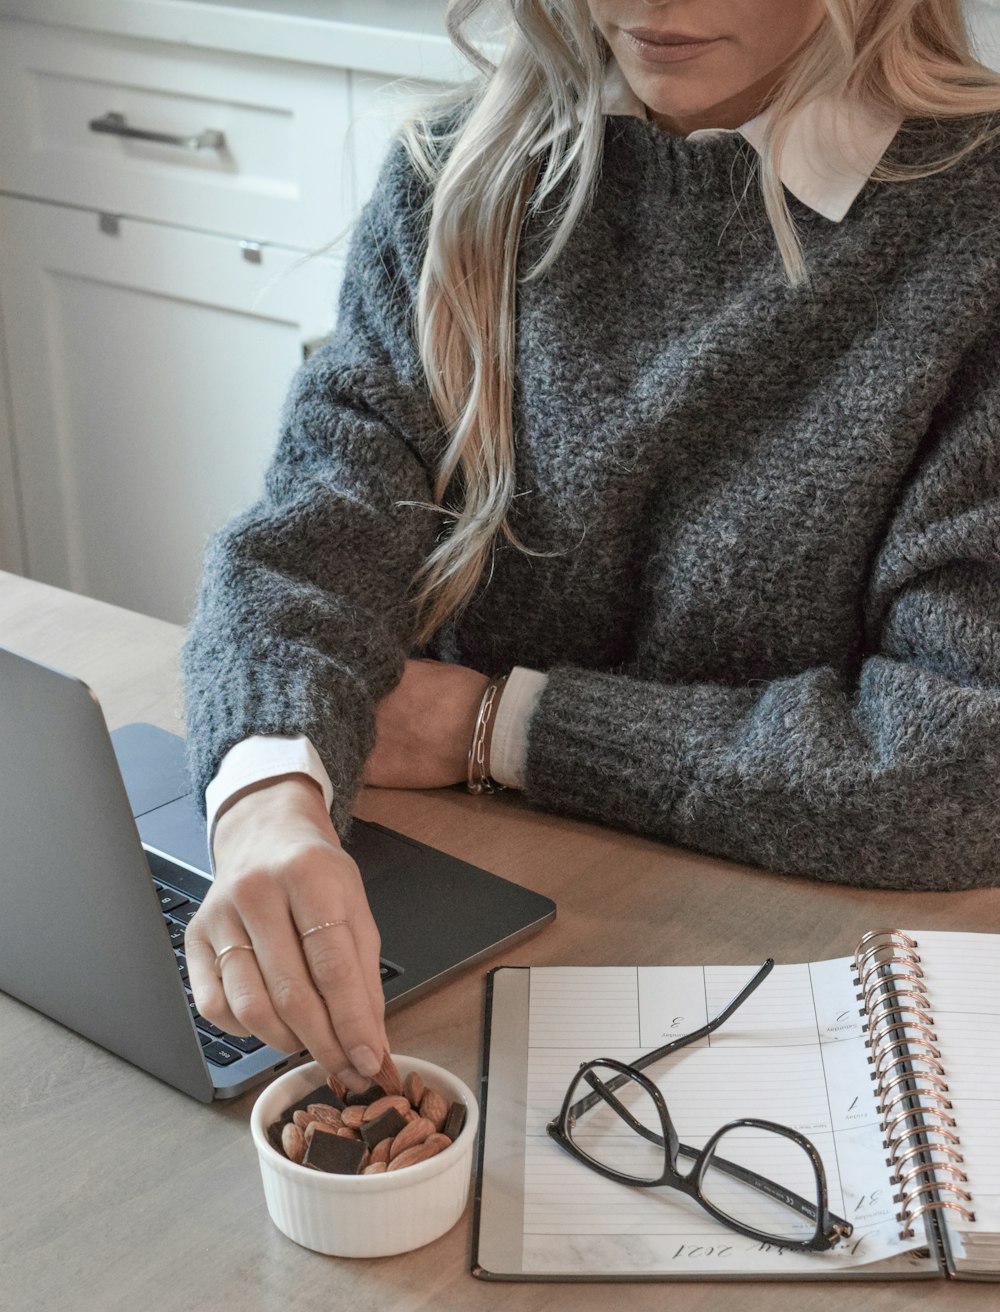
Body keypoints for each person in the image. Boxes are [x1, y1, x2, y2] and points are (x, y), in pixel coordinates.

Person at [181, 0, 1000, 1091]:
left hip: (806, 989)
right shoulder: (456, 171)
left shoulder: (974, 228)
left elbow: (961, 763)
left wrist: (501, 726)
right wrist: (266, 804)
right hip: (473, 922)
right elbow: (318, 532)